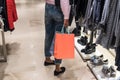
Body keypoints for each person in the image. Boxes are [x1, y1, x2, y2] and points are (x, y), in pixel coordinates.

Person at [44, 0, 71, 76]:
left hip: (48, 7)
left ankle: (47, 59)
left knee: (48, 34)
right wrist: (66, 16)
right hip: (59, 9)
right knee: (60, 39)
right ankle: (57, 68)